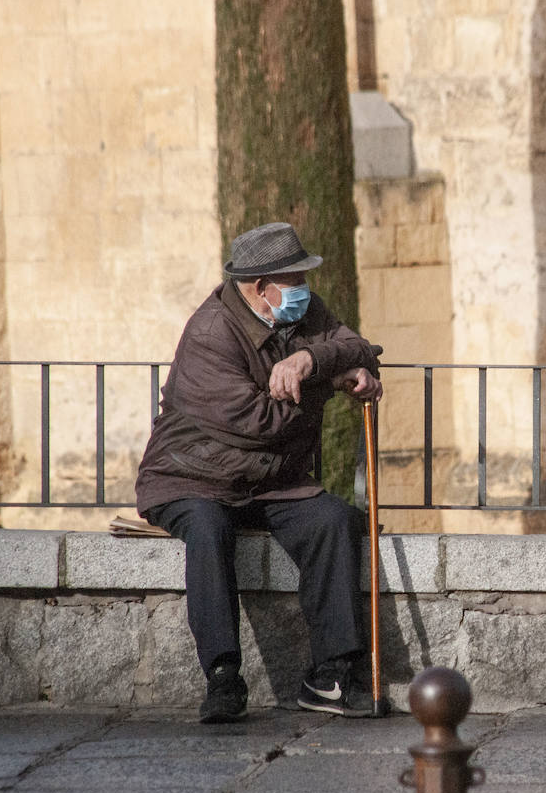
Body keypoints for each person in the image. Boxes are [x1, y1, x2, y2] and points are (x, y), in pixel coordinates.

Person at [136, 222, 384, 723]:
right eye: (294, 280)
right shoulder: (210, 332)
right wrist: (330, 380)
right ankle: (223, 675)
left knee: (333, 521)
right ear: (260, 287)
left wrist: (310, 358)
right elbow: (259, 422)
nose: (304, 291)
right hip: (192, 475)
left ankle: (330, 674)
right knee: (208, 529)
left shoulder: (303, 312)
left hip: (270, 481)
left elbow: (360, 347)